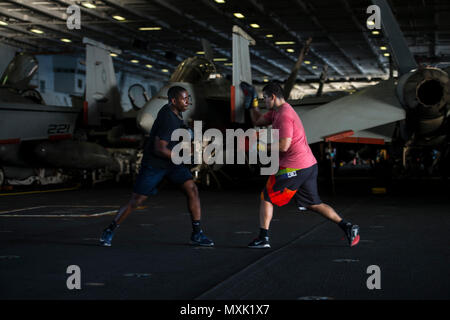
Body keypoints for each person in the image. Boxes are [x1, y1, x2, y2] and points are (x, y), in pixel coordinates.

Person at [246, 82, 360, 249]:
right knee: (313, 203)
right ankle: (348, 226)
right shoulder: (276, 111)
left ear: (273, 97)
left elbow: (284, 145)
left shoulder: (284, 115)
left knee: (266, 197)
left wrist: (259, 146)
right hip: (308, 165)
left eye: (265, 99)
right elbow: (257, 120)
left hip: (295, 167)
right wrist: (252, 102)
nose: (265, 102)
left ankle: (263, 238)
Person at [100, 86, 214, 247]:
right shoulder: (168, 118)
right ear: (174, 101)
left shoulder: (174, 111)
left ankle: (197, 234)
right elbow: (159, 148)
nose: (188, 101)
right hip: (156, 164)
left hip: (172, 163)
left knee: (192, 190)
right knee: (137, 200)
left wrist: (186, 130)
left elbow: (176, 130)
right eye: (184, 98)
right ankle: (109, 230)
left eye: (188, 98)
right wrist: (183, 158)